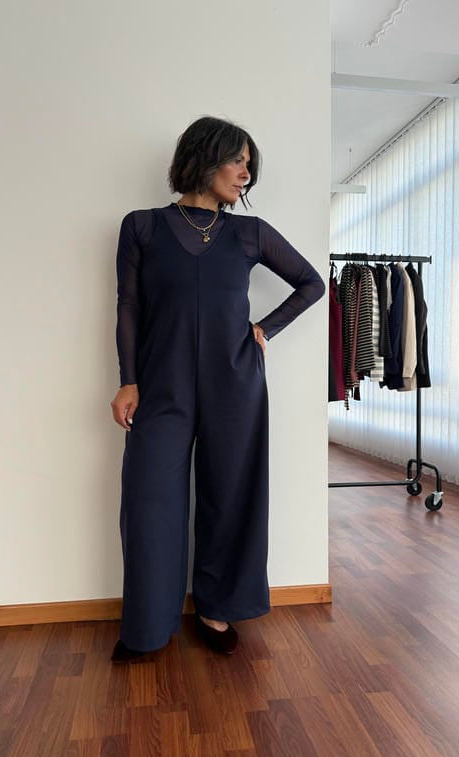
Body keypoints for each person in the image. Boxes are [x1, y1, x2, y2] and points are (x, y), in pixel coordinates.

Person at [109, 115, 325, 662]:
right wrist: (127, 379)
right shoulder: (142, 227)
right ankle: (148, 627)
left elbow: (311, 283)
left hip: (235, 381)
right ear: (204, 157)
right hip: (161, 385)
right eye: (237, 161)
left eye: (250, 165)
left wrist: (264, 329)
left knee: (231, 497)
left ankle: (216, 609)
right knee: (150, 502)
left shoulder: (250, 233)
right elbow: (129, 305)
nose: (245, 173)